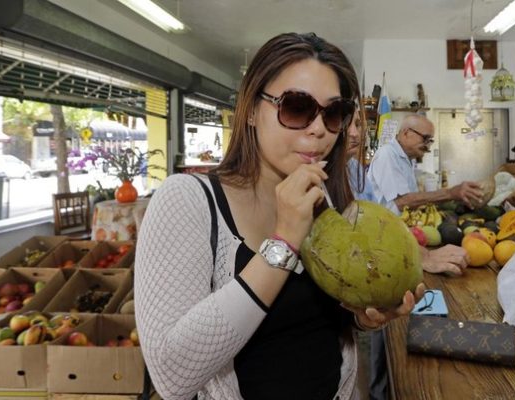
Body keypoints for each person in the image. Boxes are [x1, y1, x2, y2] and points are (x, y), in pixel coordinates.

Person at [135, 32, 425, 400]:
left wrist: (359, 317)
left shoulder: (324, 203)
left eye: (334, 113)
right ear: (252, 110)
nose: (319, 128)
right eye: (297, 107)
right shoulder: (186, 201)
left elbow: (312, 326)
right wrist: (283, 242)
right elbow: (172, 376)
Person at [366, 114, 473, 400]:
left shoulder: (405, 159)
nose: (427, 145)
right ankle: (380, 391)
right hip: (379, 243)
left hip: (392, 238)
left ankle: (384, 386)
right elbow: (401, 201)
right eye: (424, 139)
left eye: (430, 140)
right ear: (405, 133)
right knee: (382, 322)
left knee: (391, 319)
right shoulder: (389, 157)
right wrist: (450, 193)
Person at [346, 109, 376, 201]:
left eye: (357, 124)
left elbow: (373, 204)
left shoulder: (356, 166)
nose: (355, 134)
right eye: (346, 125)